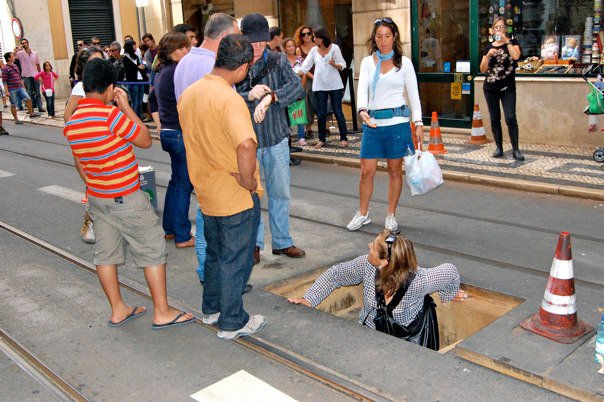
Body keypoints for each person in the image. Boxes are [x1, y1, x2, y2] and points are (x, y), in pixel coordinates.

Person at [64, 58, 195, 329]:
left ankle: (118, 309)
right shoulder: (110, 116)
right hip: (126, 196)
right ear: (110, 88)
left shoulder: (73, 122)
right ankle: (162, 311)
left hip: (98, 198)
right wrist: (125, 107)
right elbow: (145, 140)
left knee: (106, 255)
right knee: (152, 250)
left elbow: (81, 165)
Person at [178, 34, 266, 339]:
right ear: (243, 67)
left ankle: (212, 309)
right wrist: (247, 180)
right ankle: (232, 320)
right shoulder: (229, 99)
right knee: (235, 258)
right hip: (234, 194)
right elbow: (245, 145)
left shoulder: (190, 94)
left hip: (205, 190)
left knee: (215, 254)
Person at [288, 230, 466, 346]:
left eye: (373, 247)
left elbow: (450, 271)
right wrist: (308, 300)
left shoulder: (420, 280)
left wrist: (448, 294)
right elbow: (336, 274)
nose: (369, 247)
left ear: (384, 261)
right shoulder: (367, 265)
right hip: (369, 336)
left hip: (406, 346)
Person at [173, 13, 243, 291]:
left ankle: (206, 270)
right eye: (235, 37)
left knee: (203, 212)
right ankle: (218, 277)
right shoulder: (217, 66)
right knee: (220, 221)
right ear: (224, 37)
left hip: (193, 147)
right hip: (218, 151)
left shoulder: (184, 61)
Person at [236, 13, 306, 264]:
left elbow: (297, 88)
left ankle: (282, 241)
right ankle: (253, 244)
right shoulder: (236, 62)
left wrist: (272, 97)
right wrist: (249, 96)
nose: (256, 46)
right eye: (252, 41)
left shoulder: (277, 60)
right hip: (247, 142)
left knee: (279, 192)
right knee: (250, 194)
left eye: (261, 41)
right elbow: (225, 95)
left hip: (276, 137)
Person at [348, 17, 423, 232]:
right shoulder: (367, 62)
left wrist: (418, 122)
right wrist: (362, 111)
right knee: (366, 171)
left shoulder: (404, 63)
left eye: (387, 36)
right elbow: (362, 90)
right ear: (374, 38)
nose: (383, 41)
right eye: (379, 36)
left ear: (394, 37)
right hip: (372, 125)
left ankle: (391, 214)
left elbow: (414, 96)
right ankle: (363, 213)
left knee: (394, 171)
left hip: (398, 123)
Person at [154, 32, 194, 249]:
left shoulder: (162, 71)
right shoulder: (176, 71)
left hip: (168, 131)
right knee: (183, 185)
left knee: (176, 182)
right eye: (182, 48)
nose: (186, 52)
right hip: (178, 133)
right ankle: (182, 234)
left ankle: (169, 229)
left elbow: (152, 99)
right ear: (172, 51)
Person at [480, 17, 524, 161]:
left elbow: (516, 56)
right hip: (490, 88)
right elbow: (482, 69)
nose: (499, 29)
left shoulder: (512, 43)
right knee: (495, 118)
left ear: (505, 29)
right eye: (496, 27)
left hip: (508, 87)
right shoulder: (488, 47)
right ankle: (499, 148)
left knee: (510, 117)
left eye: (502, 27)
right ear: (492, 30)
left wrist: (507, 40)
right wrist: (487, 56)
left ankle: (516, 149)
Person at [299, 27, 348, 149]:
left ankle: (343, 137)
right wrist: (294, 74)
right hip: (320, 85)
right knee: (321, 113)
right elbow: (305, 66)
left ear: (321, 38)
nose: (313, 38)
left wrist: (334, 64)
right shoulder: (314, 51)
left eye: (315, 36)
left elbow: (343, 65)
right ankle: (321, 139)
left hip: (335, 85)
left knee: (337, 111)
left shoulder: (335, 48)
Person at [64, 46, 105, 122]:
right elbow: (67, 115)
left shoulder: (107, 85)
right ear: (85, 64)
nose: (97, 64)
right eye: (93, 61)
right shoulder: (80, 87)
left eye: (100, 60)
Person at [2, 52, 40, 124]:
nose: (14, 57)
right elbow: (4, 81)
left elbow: (19, 77)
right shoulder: (5, 68)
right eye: (12, 56)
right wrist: (6, 91)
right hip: (12, 89)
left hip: (19, 87)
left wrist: (23, 86)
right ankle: (16, 119)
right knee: (13, 104)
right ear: (9, 58)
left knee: (28, 98)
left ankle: (31, 113)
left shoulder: (15, 66)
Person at [283, 37, 307, 145]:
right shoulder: (282, 60)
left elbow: (304, 74)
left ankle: (301, 136)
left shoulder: (300, 60)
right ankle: (287, 136)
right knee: (286, 113)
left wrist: (301, 88)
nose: (291, 48)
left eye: (293, 45)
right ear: (285, 48)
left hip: (298, 90)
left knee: (299, 111)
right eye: (288, 46)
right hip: (286, 91)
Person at [294, 25, 316, 139]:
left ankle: (326, 127)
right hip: (307, 78)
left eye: (308, 33)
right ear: (301, 37)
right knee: (308, 103)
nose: (306, 36)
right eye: (304, 34)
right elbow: (301, 66)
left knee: (323, 101)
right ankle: (309, 129)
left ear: (312, 34)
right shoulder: (299, 49)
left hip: (320, 78)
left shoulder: (317, 46)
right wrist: (312, 76)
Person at [15, 38, 44, 113]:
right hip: (26, 75)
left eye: (25, 42)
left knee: (37, 92)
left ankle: (40, 107)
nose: (24, 44)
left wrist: (40, 74)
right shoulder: (20, 53)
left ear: (28, 43)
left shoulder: (35, 53)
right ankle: (30, 109)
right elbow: (12, 56)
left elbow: (38, 64)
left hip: (35, 75)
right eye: (22, 43)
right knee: (29, 93)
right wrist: (18, 49)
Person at [122, 40, 147, 119]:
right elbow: (128, 69)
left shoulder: (136, 56)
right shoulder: (125, 57)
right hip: (132, 81)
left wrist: (141, 66)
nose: (135, 47)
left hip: (140, 80)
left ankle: (139, 119)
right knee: (135, 102)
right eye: (134, 45)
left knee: (140, 101)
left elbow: (140, 65)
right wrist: (137, 67)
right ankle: (134, 120)